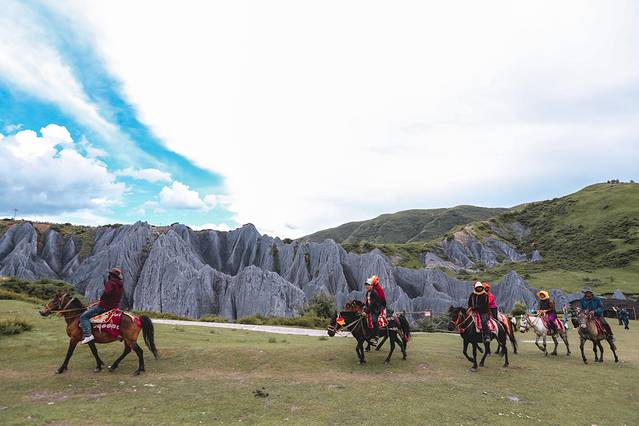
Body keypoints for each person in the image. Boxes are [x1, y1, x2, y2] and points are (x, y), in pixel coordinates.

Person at [79, 268, 124, 344]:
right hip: (114, 306)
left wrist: (102, 298)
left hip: (104, 306)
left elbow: (107, 293)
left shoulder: (111, 283)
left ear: (111, 275)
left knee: (84, 317)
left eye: (110, 274)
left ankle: (88, 335)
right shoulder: (120, 285)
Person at [364, 276, 384, 345]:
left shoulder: (374, 293)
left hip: (376, 309)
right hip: (371, 309)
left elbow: (372, 304)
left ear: (372, 286)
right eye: (366, 285)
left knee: (374, 319)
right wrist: (365, 308)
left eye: (368, 285)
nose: (367, 286)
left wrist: (366, 311)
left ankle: (377, 335)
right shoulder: (367, 293)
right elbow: (367, 302)